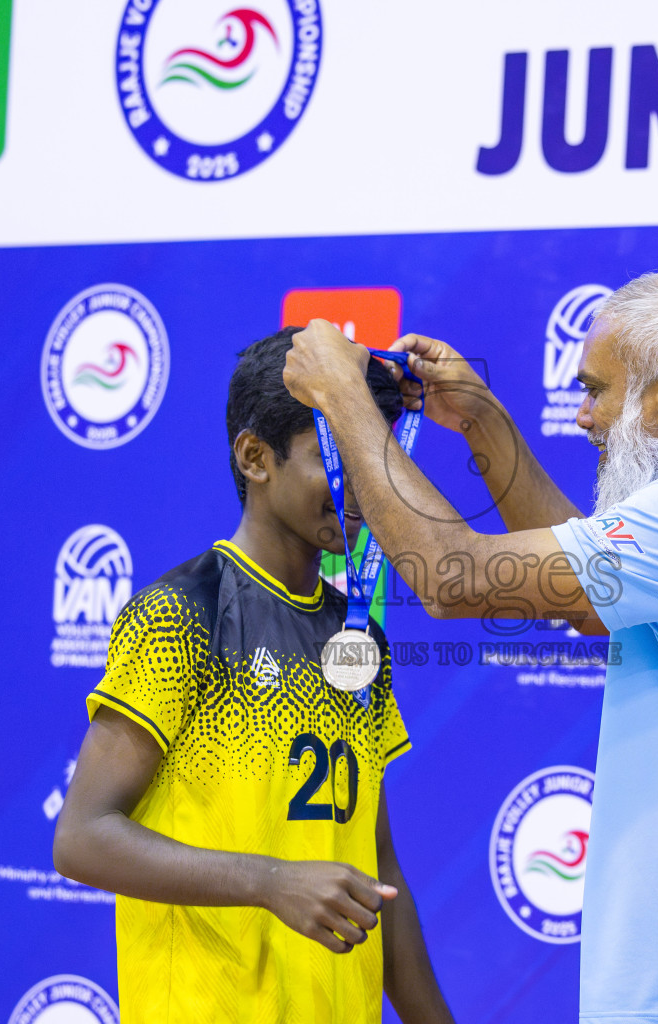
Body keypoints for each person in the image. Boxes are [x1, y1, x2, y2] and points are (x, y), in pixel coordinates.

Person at [282, 269, 658, 1024]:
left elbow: (451, 577)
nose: (582, 416)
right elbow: (592, 608)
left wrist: (341, 398)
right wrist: (482, 421)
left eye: (597, 389)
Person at [52, 328, 455, 1024]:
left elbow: (379, 870)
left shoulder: (359, 640)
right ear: (255, 457)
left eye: (374, 456)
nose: (364, 488)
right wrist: (269, 883)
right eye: (338, 457)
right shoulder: (180, 615)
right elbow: (82, 836)